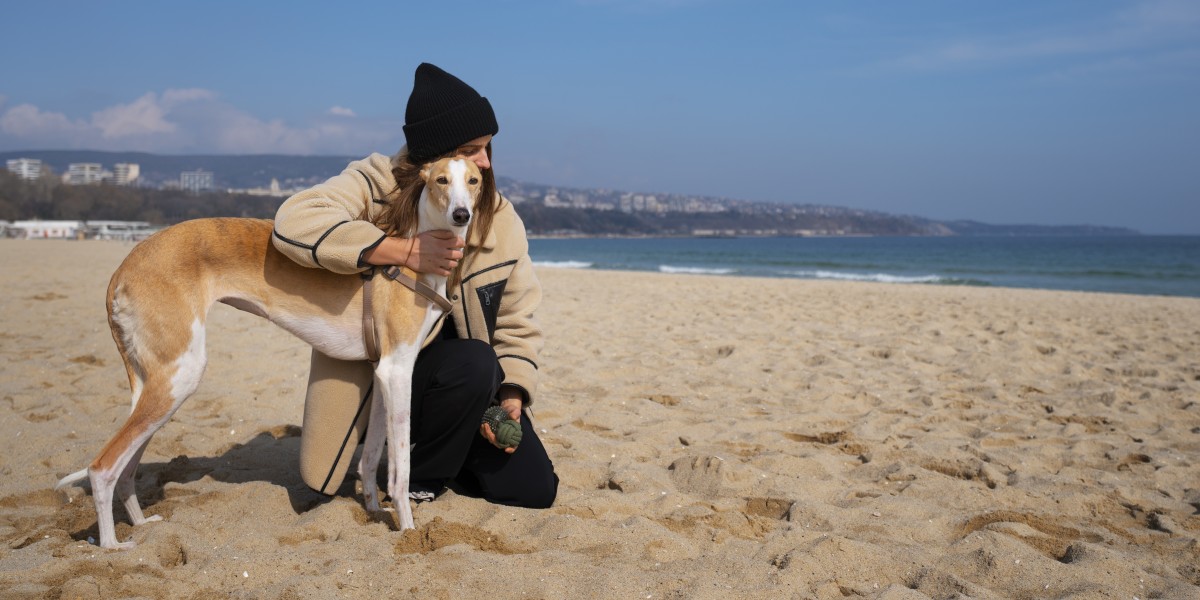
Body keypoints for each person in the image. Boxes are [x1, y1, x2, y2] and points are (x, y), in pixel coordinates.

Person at [271, 63, 557, 509]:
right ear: (433, 160)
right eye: (470, 149)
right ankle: (418, 474)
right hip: (384, 372)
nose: (484, 160)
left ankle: (443, 452)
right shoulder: (376, 182)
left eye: (487, 148)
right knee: (474, 362)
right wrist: (397, 250)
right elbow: (294, 221)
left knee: (533, 489)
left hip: (470, 389)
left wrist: (514, 390)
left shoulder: (500, 217)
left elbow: (518, 319)